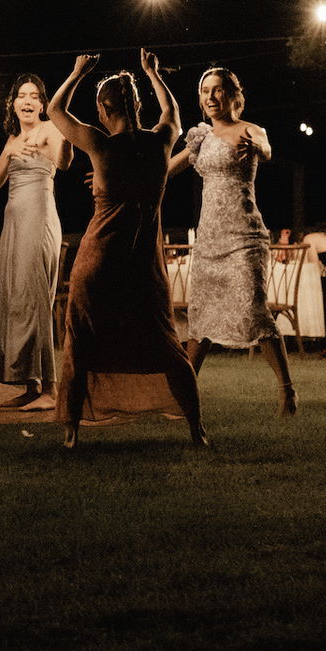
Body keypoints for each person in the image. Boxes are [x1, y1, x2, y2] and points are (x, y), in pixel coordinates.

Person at [48, 51, 205, 449]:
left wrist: (78, 72)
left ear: (103, 108)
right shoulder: (161, 143)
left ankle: (71, 434)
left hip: (98, 260)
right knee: (165, 344)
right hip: (142, 265)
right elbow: (173, 111)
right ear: (136, 105)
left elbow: (55, 108)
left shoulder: (98, 144)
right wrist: (153, 72)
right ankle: (196, 430)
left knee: (81, 340)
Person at [168, 66, 297, 416]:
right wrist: (119, 177)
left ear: (231, 94)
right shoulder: (200, 137)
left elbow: (267, 150)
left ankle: (287, 391)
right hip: (209, 239)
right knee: (201, 319)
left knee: (254, 311)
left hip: (245, 235)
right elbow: (167, 171)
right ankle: (184, 394)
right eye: (205, 91)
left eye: (217, 90)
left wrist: (256, 145)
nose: (210, 97)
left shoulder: (250, 131)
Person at [0, 74, 67, 409]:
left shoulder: (49, 129)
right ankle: (31, 386)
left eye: (34, 95)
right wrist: (9, 152)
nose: (27, 101)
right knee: (13, 297)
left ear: (43, 104)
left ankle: (50, 389)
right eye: (21, 95)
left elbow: (63, 161)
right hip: (13, 224)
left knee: (34, 299)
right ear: (13, 103)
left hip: (38, 219)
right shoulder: (13, 138)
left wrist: (66, 139)